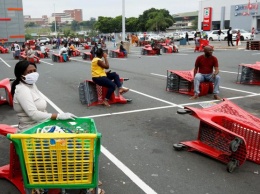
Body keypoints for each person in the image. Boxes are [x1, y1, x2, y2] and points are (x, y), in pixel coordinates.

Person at [11, 60, 76, 132]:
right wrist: (58, 116)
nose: (33, 74)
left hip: (41, 125)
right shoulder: (22, 90)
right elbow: (34, 114)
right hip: (31, 130)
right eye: (29, 72)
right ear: (21, 75)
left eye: (34, 71)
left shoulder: (31, 85)